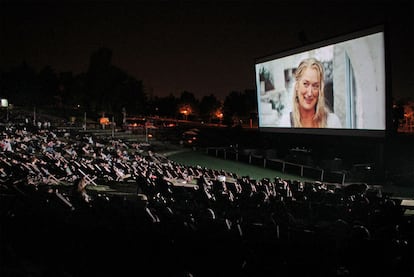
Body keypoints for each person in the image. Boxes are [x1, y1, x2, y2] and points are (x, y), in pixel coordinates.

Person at [279, 57, 341, 128]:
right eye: (305, 84)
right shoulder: (286, 123)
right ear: (297, 86)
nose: (309, 93)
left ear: (320, 89)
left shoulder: (332, 122)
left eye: (315, 86)